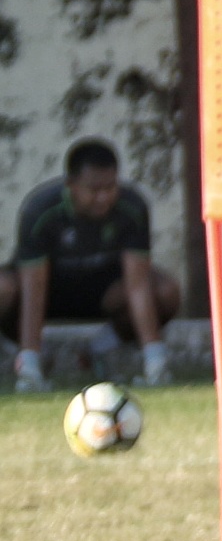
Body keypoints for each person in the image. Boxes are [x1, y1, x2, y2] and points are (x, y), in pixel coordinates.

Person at [1, 138, 180, 390]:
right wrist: (31, 363)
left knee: (165, 291)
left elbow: (137, 285)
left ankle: (102, 348)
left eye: (110, 187)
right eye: (94, 190)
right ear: (71, 185)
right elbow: (33, 290)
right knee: (3, 288)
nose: (103, 197)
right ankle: (29, 358)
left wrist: (155, 359)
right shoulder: (40, 211)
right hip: (50, 293)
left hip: (105, 294)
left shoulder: (132, 207)